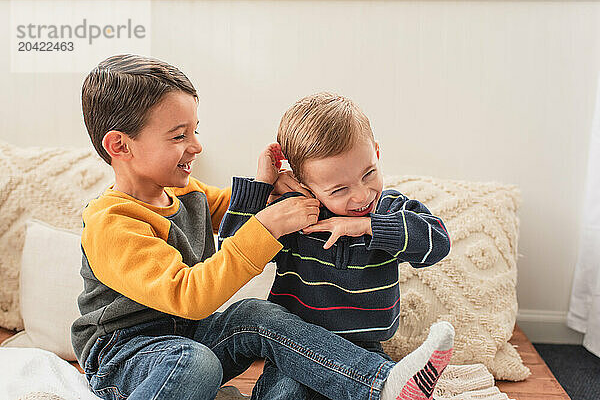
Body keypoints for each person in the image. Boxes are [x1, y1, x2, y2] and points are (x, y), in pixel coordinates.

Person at [71, 54, 454, 400]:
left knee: (254, 314)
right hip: (125, 355)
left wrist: (267, 187)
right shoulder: (111, 222)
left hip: (187, 337)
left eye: (195, 131)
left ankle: (383, 385)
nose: (196, 146)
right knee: (194, 363)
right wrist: (268, 226)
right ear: (120, 146)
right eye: (179, 136)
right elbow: (189, 296)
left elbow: (233, 213)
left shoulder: (184, 195)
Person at [219, 92, 452, 399]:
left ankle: (388, 384)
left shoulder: (389, 211)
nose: (361, 195)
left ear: (377, 153)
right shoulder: (296, 215)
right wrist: (262, 184)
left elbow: (437, 243)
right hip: (294, 348)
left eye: (368, 174)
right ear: (304, 185)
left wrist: (368, 226)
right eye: (339, 189)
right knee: (284, 393)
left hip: (363, 351)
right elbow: (232, 249)